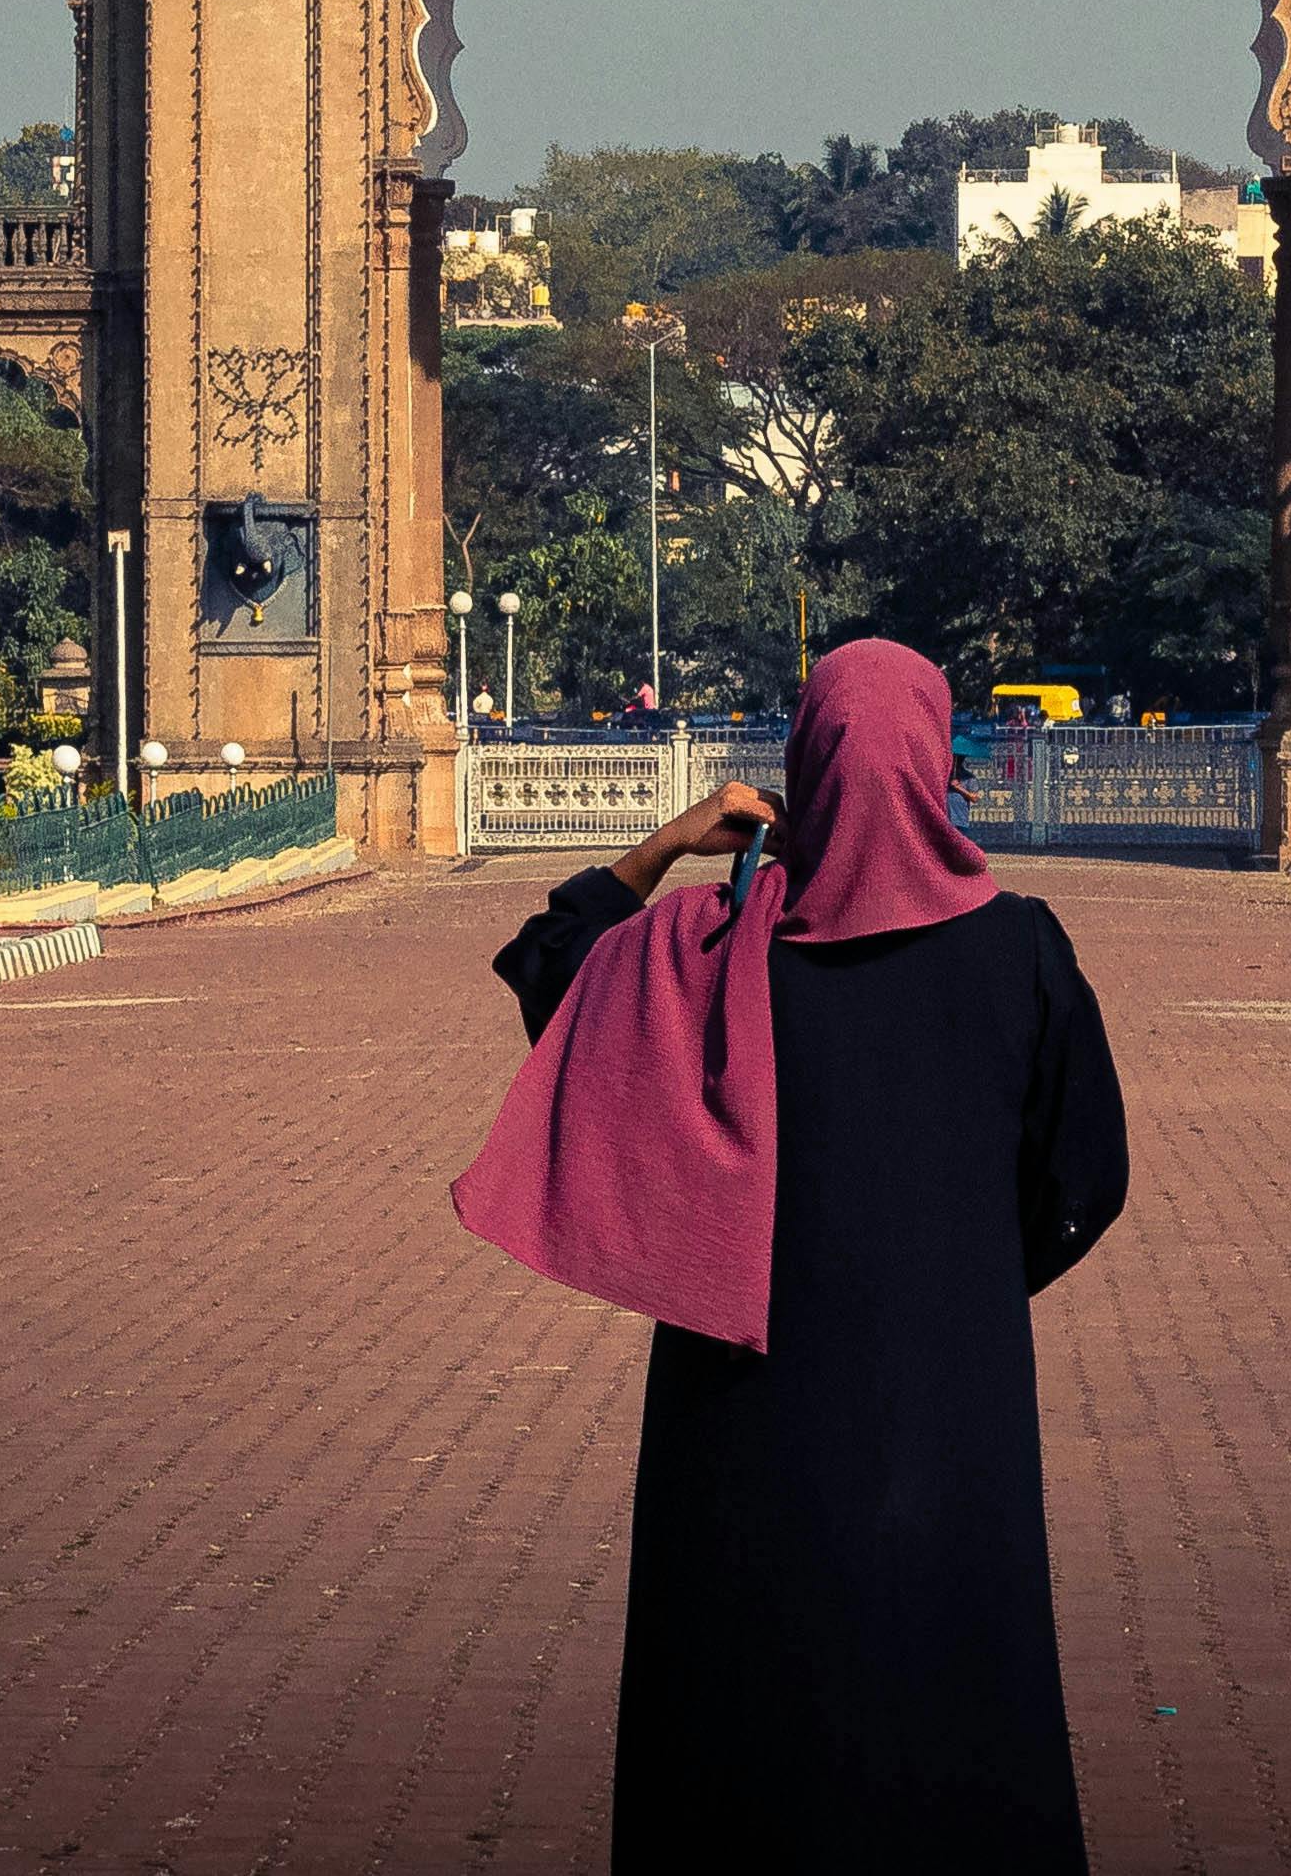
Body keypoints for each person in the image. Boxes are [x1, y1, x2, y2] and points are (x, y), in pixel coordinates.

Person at [455, 637, 1127, 1871]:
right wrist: (962, 1276)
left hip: (744, 1398)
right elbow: (1087, 1175)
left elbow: (549, 963)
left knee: (743, 1699)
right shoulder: (1021, 948)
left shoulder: (703, 952)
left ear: (803, 771)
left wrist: (666, 843)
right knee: (955, 1685)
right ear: (938, 766)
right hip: (950, 1397)